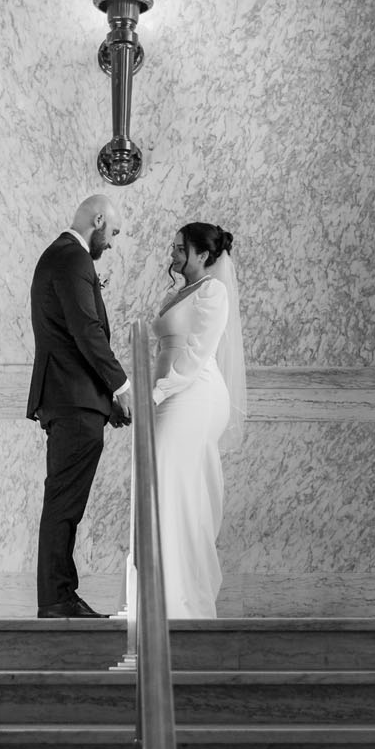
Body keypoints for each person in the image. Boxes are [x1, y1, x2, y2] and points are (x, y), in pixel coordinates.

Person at [27, 194, 132, 619]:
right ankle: (57, 599)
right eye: (114, 234)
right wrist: (120, 386)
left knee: (65, 502)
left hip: (73, 399)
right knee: (64, 504)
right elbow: (87, 332)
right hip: (72, 402)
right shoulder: (72, 259)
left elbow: (75, 338)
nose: (111, 244)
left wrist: (106, 400)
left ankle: (59, 596)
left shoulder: (62, 256)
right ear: (99, 220)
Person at [150, 221, 246, 620]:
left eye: (179, 248)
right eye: (173, 248)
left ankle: (184, 601)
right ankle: (158, 594)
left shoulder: (213, 291)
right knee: (162, 487)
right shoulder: (179, 293)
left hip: (194, 395)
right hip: (170, 394)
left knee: (177, 488)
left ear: (203, 254)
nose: (172, 255)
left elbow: (197, 352)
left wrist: (158, 390)